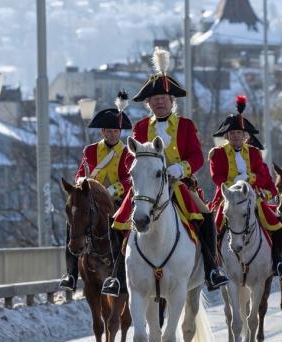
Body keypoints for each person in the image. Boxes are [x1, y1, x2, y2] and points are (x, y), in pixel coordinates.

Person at [111, 47, 228, 290]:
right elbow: (129, 159)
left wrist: (181, 169)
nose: (160, 102)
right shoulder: (141, 128)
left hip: (179, 184)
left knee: (205, 216)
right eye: (155, 100)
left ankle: (212, 268)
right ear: (149, 104)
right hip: (147, 186)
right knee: (118, 220)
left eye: (164, 99)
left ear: (172, 102)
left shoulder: (185, 125)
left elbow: (196, 156)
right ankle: (117, 276)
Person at [207, 96, 282, 283]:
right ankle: (213, 267)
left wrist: (250, 179)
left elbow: (265, 179)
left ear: (246, 136)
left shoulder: (254, 153)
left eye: (239, 133)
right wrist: (234, 183)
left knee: (276, 225)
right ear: (227, 136)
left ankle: (279, 261)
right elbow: (217, 177)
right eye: (232, 133)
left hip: (252, 197)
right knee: (214, 226)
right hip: (227, 197)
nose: (236, 136)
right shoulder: (217, 154)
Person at [60, 91, 134, 294]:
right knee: (72, 223)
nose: (113, 134)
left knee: (124, 229)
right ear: (102, 132)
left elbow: (129, 180)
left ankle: (120, 275)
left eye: (116, 131)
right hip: (92, 199)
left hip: (117, 199)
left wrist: (112, 190)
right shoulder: (90, 151)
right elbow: (79, 174)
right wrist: (82, 183)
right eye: (109, 131)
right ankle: (71, 273)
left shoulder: (127, 153)